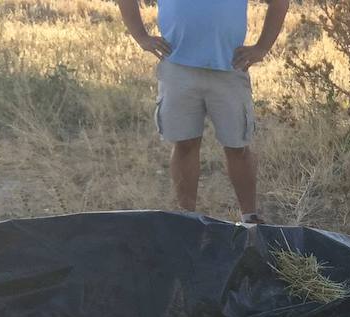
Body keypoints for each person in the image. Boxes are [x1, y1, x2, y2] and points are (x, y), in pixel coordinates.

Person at [116, 0, 290, 224]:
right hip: (178, 68)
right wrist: (141, 37)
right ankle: (187, 220)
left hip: (230, 67)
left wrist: (262, 48)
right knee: (185, 143)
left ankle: (250, 218)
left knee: (237, 147)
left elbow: (279, 3)